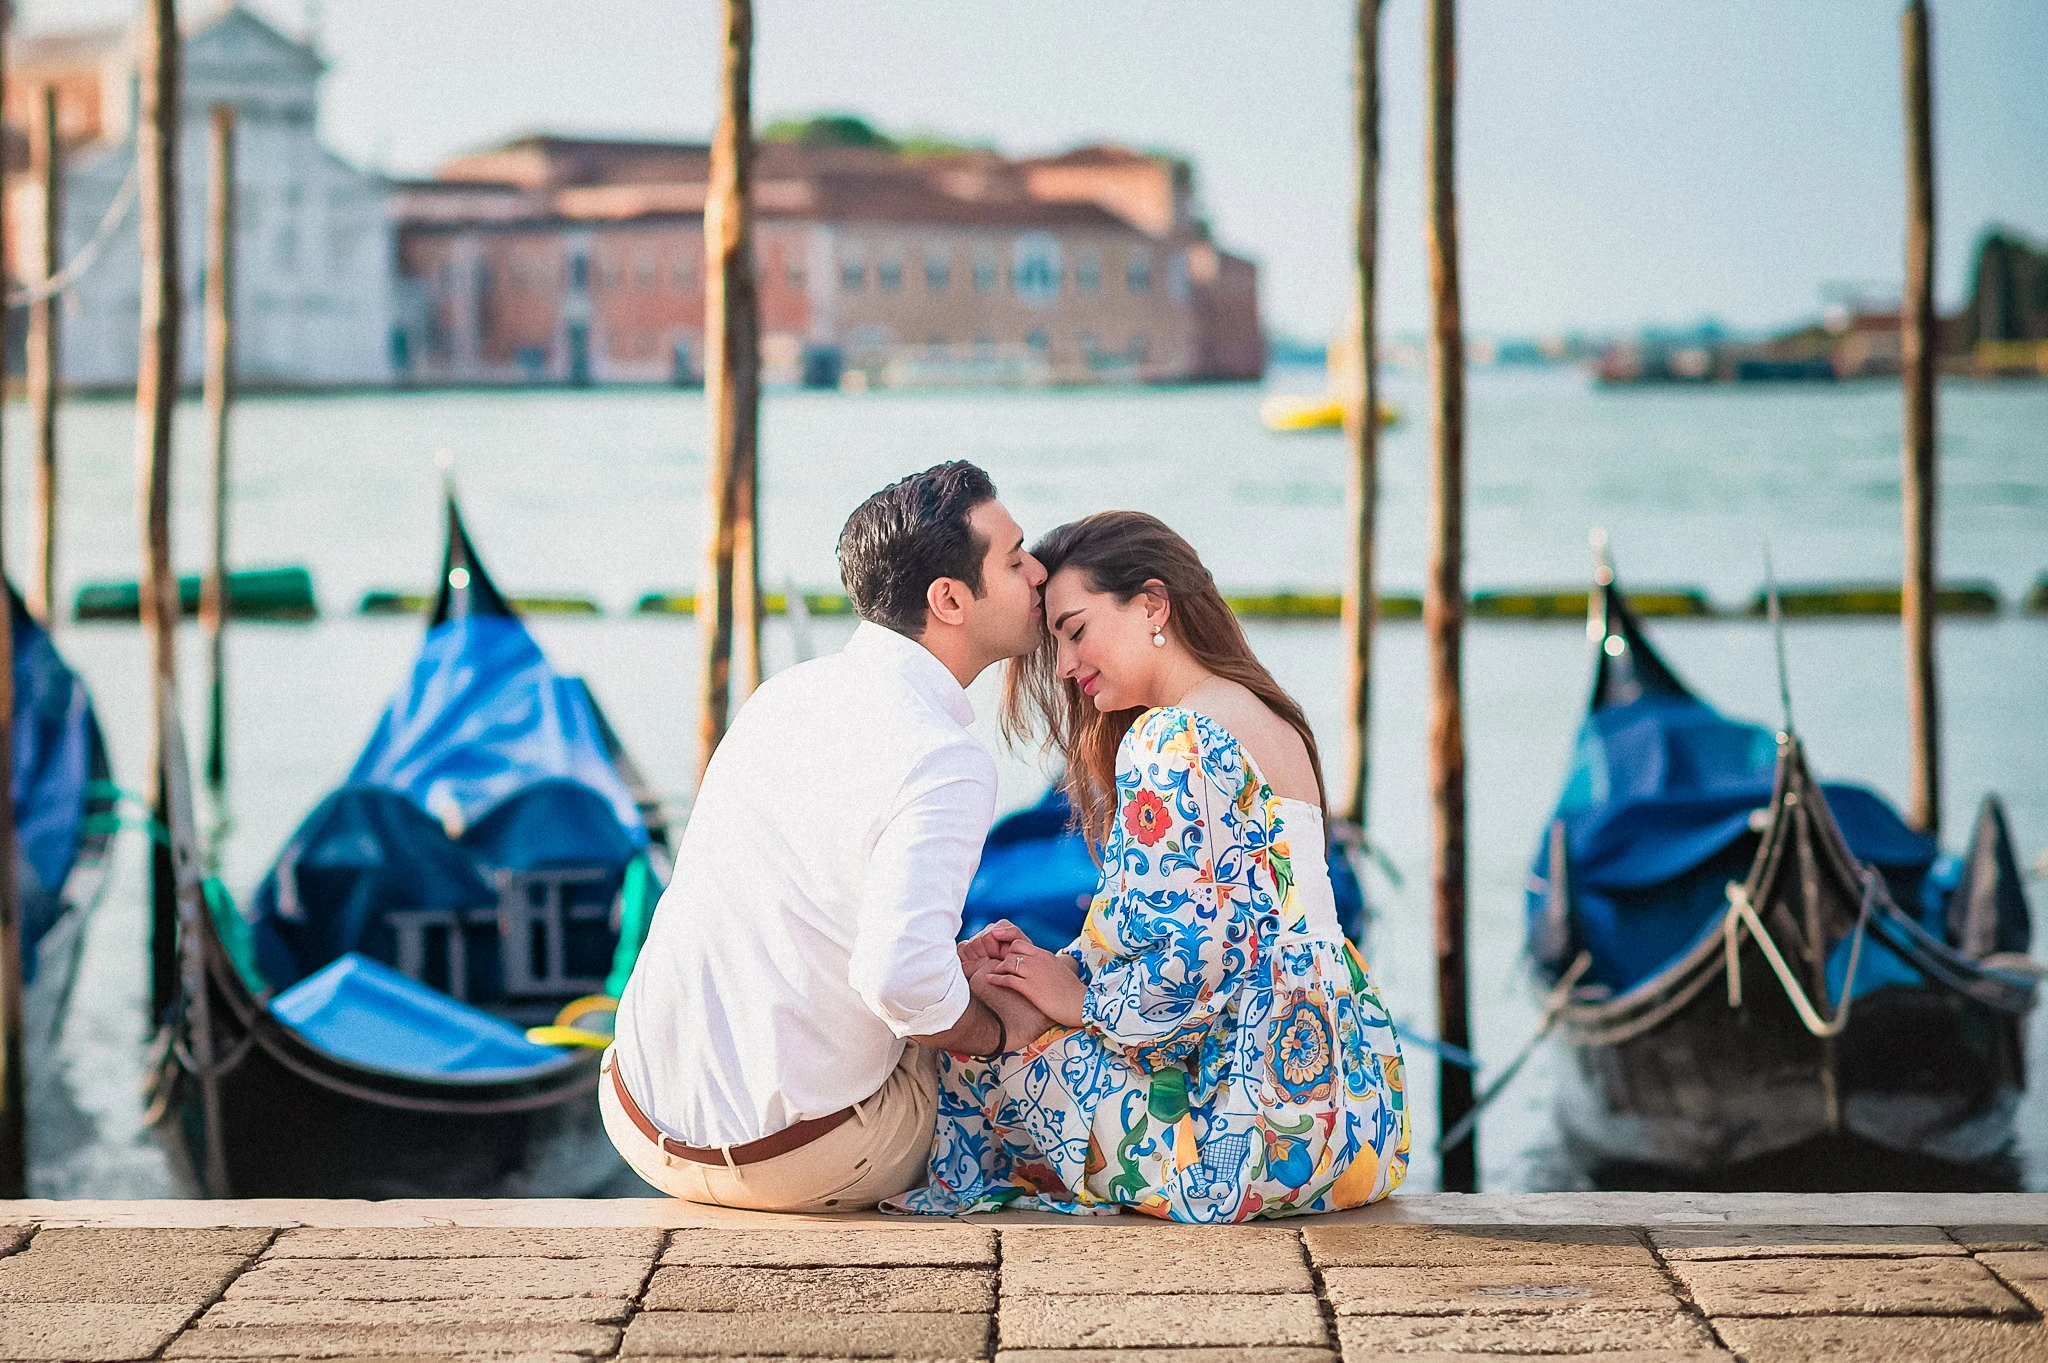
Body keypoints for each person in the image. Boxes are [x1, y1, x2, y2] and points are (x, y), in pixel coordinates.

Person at [890, 511, 1410, 1222]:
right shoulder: (1266, 714)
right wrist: (1058, 969)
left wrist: (1071, 999)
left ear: (1153, 604)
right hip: (1354, 1124)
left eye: (1075, 630)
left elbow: (1194, 962)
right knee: (1020, 1008)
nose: (1067, 666)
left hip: (1241, 1143)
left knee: (978, 1048)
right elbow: (1238, 934)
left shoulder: (1172, 738)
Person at [602, 461, 1053, 1212]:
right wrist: (995, 1032)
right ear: (950, 600)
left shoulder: (783, 695)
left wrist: (941, 974)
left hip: (636, 1117)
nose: (1038, 572)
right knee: (1017, 1054)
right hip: (794, 1161)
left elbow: (808, 917)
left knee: (950, 994)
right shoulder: (945, 757)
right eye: (1013, 559)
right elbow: (900, 979)